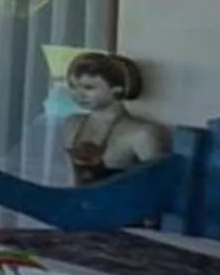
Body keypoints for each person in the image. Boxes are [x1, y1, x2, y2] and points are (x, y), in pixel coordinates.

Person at [62, 50, 170, 185]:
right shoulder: (72, 124)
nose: (78, 94)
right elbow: (71, 178)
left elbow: (158, 185)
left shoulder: (142, 133)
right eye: (73, 86)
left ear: (117, 90)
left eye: (88, 87)